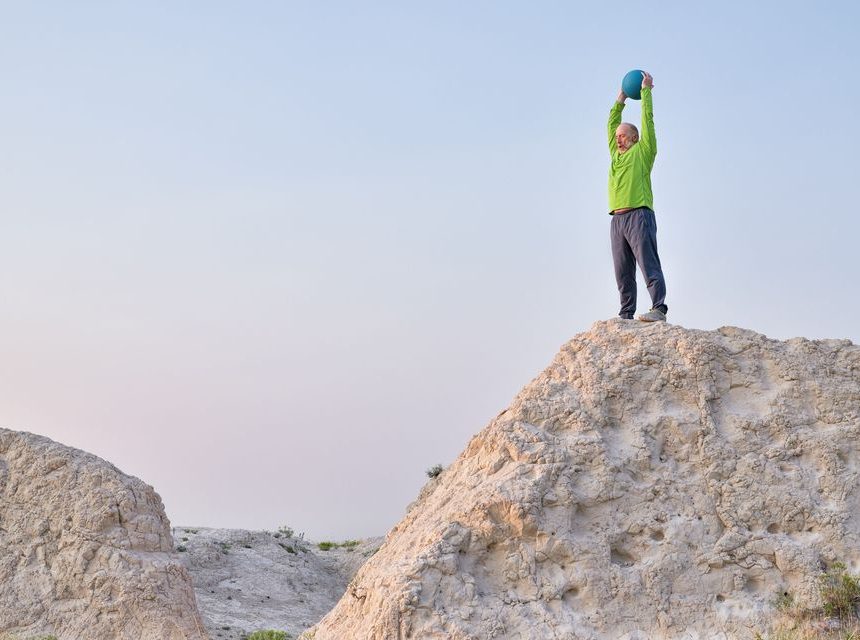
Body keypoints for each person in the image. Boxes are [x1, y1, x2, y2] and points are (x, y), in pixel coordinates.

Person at [607, 71, 668, 322]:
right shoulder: (616, 155)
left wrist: (646, 93)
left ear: (633, 138)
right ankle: (626, 313)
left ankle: (659, 308)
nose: (617, 138)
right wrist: (620, 99)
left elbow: (647, 122)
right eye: (617, 136)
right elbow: (611, 124)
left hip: (639, 214)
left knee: (648, 263)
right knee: (622, 271)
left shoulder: (643, 152)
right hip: (617, 219)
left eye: (622, 136)